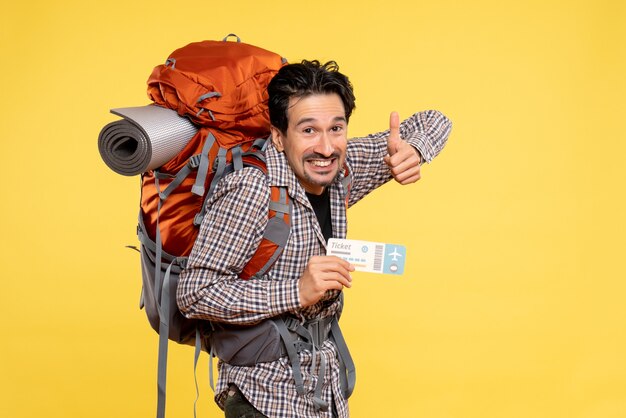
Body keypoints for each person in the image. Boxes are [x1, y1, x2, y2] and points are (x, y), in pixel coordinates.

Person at [177, 60, 451, 417]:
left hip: (324, 387)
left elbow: (436, 120)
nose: (325, 147)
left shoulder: (342, 169)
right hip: (263, 394)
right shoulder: (250, 190)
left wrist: (413, 149)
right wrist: (297, 291)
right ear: (279, 136)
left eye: (336, 128)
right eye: (308, 131)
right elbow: (194, 292)